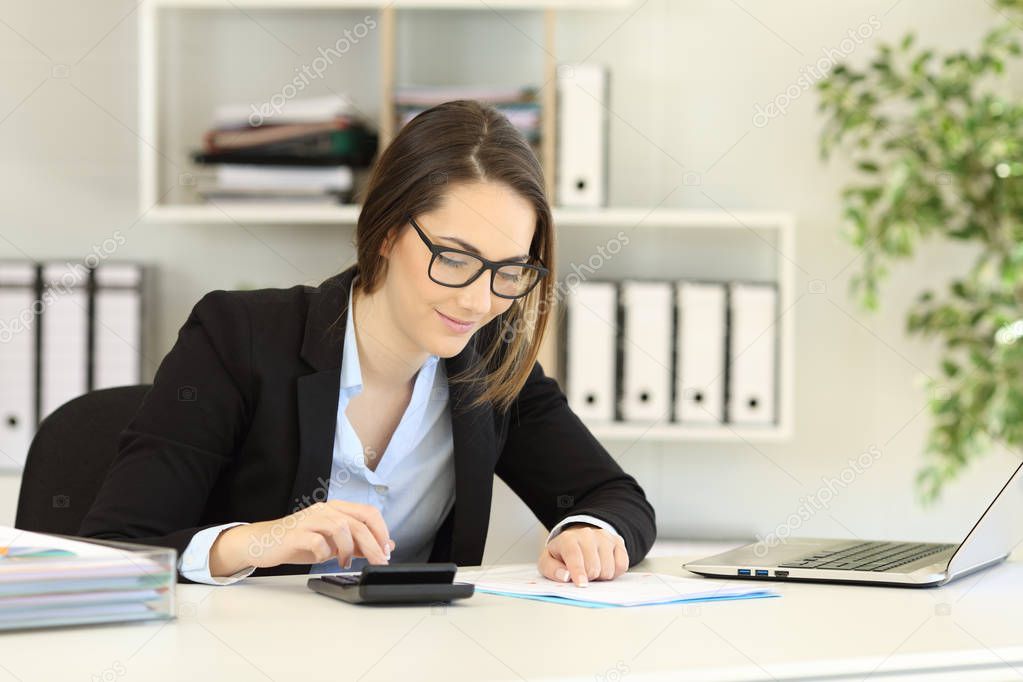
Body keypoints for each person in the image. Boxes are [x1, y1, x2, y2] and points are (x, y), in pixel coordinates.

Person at [79, 99, 656, 587]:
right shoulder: (239, 336)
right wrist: (257, 542)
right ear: (385, 233)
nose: (480, 303)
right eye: (454, 259)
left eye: (509, 271)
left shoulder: (491, 361)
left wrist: (590, 532)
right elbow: (114, 551)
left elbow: (614, 497)